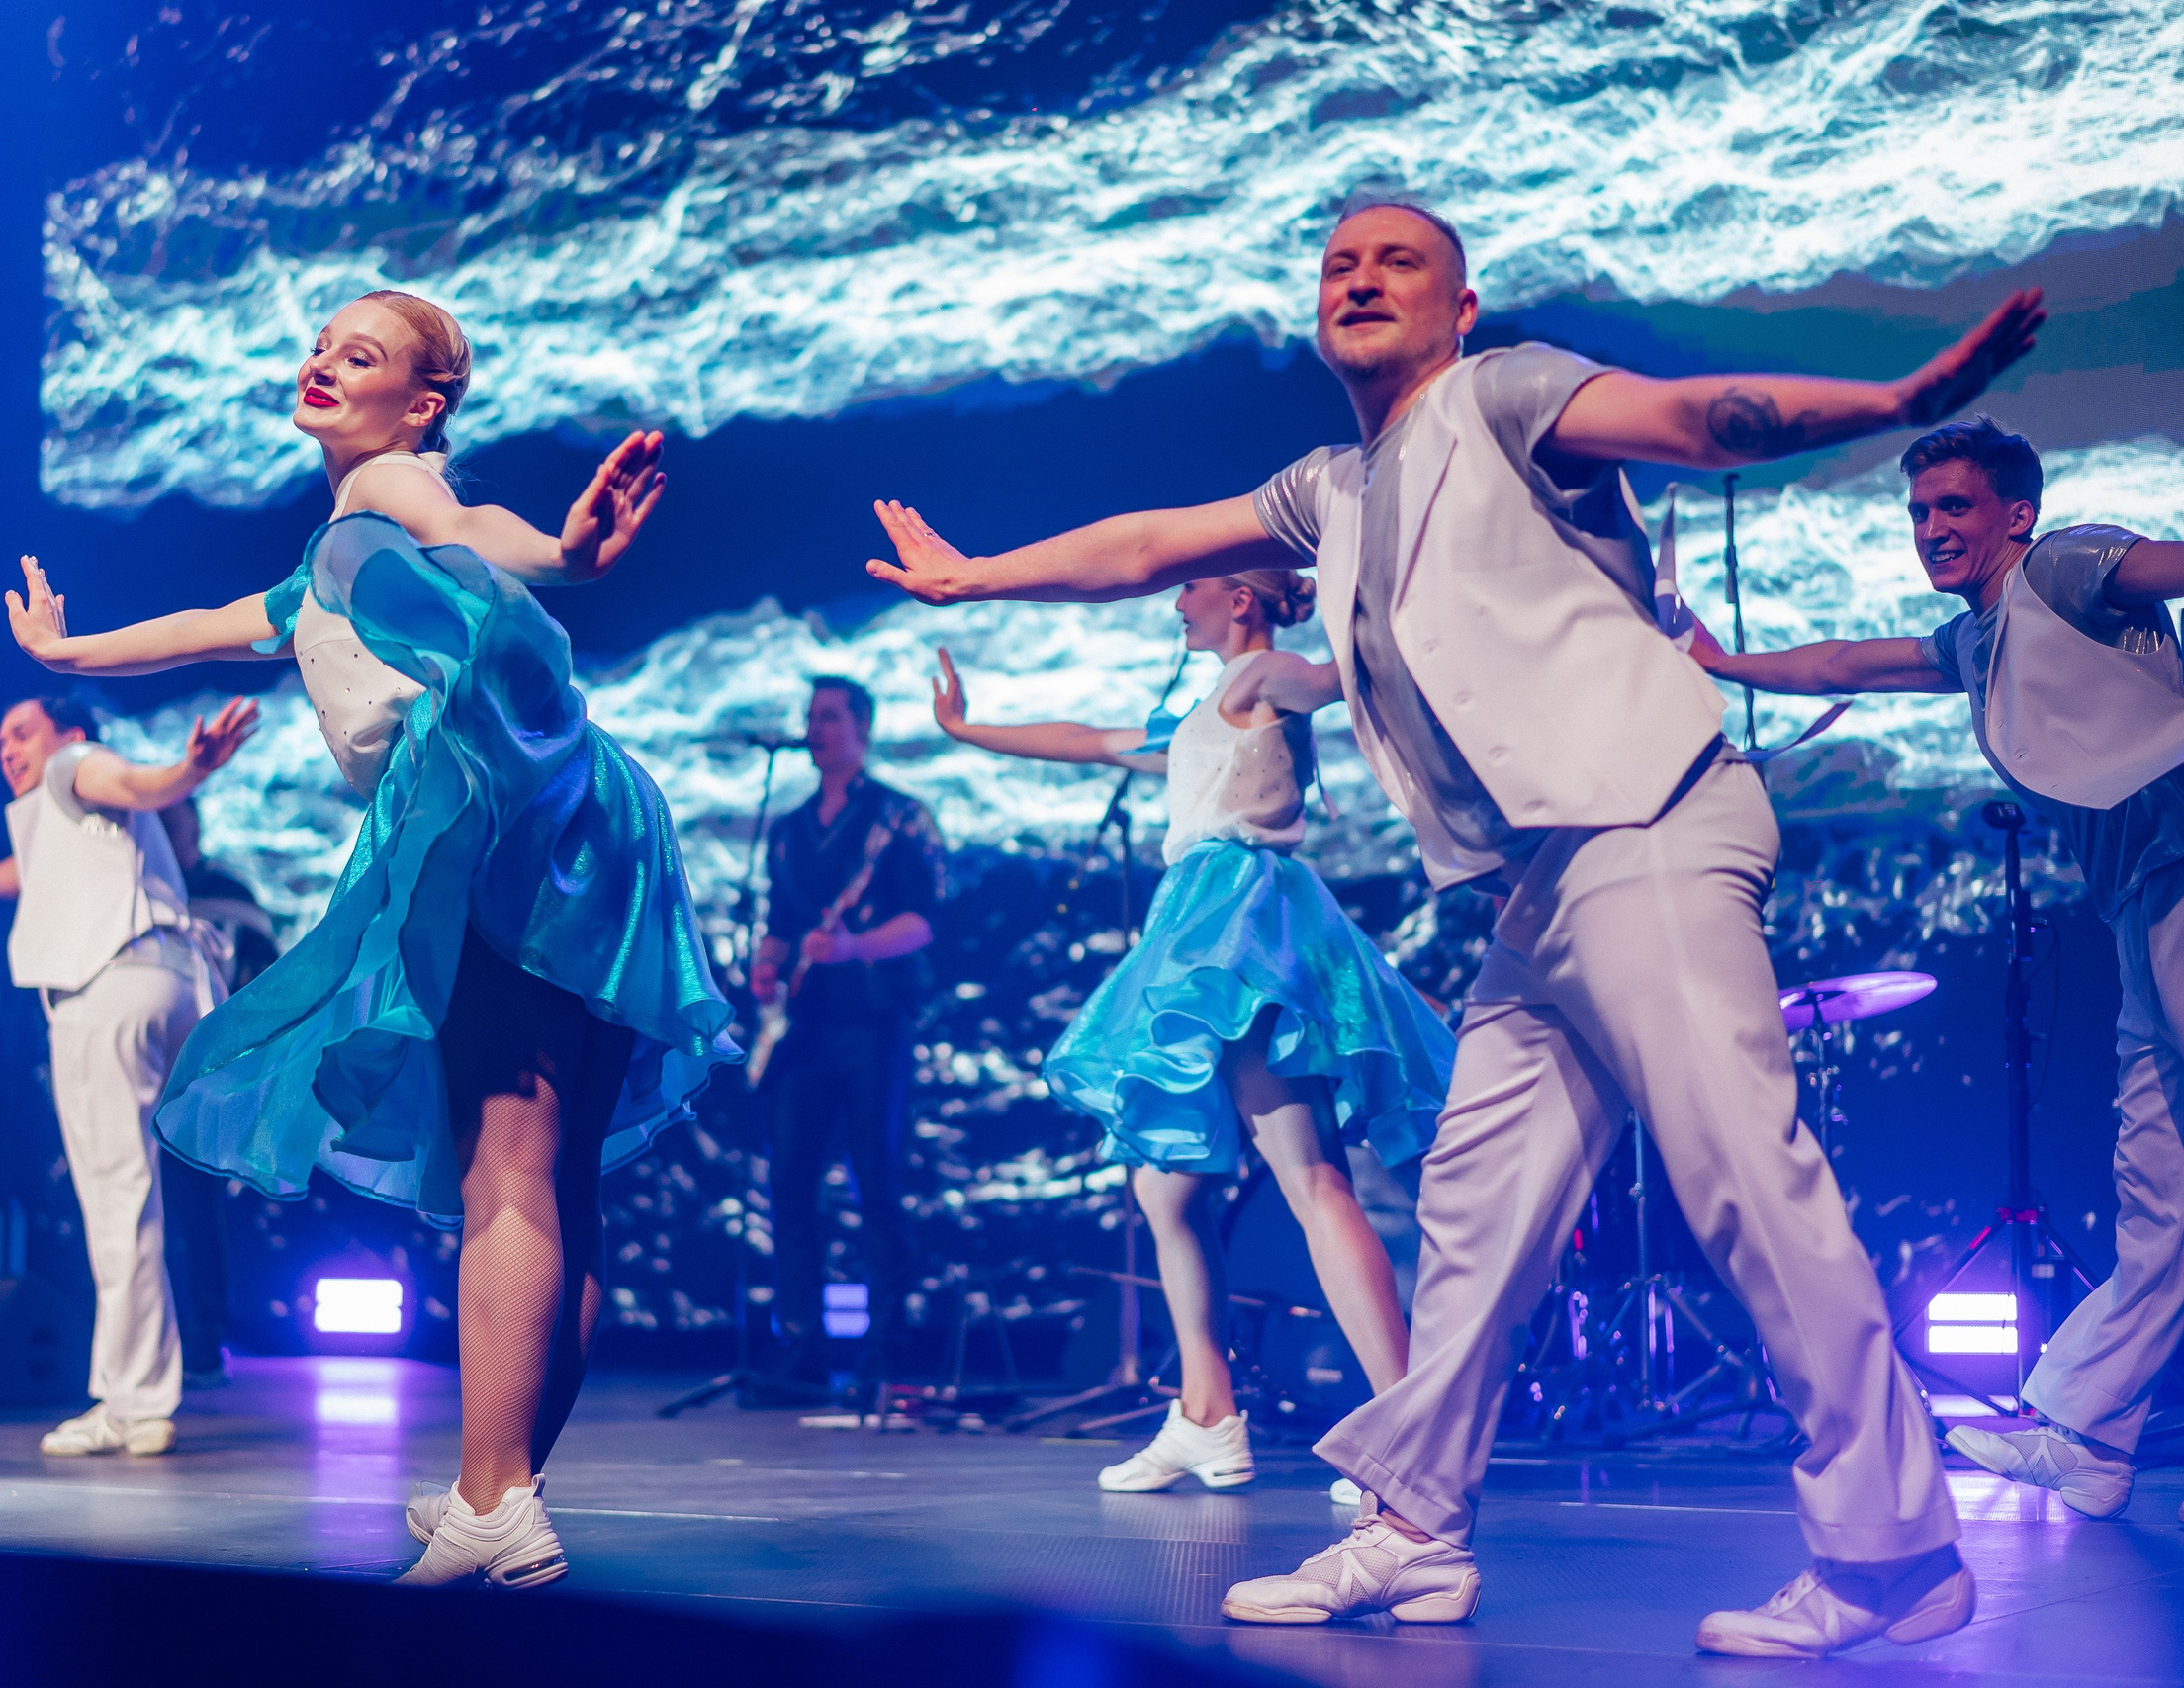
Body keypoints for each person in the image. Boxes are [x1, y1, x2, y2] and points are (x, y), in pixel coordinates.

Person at [865, 198, 2045, 1656]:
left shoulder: (1507, 397)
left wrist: (1899, 404)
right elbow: (1157, 539)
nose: (1360, 277)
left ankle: (1892, 1553)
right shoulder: (1327, 491)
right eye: (1338, 263)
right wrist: (978, 575)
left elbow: (1691, 416)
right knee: (1473, 1221)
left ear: (1461, 305)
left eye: (1397, 261)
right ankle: (1416, 1530)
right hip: (1537, 893)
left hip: (1648, 824)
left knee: (1747, 1177)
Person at [0, 289, 734, 1588]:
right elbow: (219, 625)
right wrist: (73, 653)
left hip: (487, 812)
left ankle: (500, 1499)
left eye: (362, 354)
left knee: (508, 1163)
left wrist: (564, 551)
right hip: (584, 811)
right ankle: (494, 1487)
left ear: (422, 404)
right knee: (557, 1180)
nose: (323, 363)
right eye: (320, 346)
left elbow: (472, 526)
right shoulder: (340, 548)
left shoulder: (392, 489)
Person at [1691, 416, 2184, 1526]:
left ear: (2016, 515)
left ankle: (2087, 1426)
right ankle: (2091, 1437)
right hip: (2141, 908)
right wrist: (1720, 664)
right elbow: (1846, 664)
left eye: (1953, 506)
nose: (1930, 528)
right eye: (1918, 511)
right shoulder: (1975, 640)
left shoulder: (2066, 566)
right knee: (2160, 1194)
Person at [931, 569, 1453, 1495]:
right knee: (1163, 1189)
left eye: (1190, 589)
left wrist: (1390, 596)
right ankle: (1208, 1413)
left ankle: (1406, 1431)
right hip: (1201, 930)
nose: (1176, 605)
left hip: (1242, 931)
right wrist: (968, 730)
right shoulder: (1204, 710)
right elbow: (1090, 741)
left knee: (1312, 1177)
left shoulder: (1261, 677)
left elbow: (1336, 677)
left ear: (1240, 599)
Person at [0, 694, 258, 1457]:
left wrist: (188, 770)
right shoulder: (58, 815)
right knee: (126, 1198)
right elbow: (23, 876)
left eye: (22, 731)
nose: (9, 748)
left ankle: (136, 1402)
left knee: (118, 1199)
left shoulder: (75, 764)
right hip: (165, 982)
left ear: (68, 731)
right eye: (1, 737)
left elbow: (134, 781)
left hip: (111, 985)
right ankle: (124, 1391)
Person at [746, 676, 944, 1392]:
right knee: (790, 1180)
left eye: (829, 716)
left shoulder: (900, 817)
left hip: (874, 1021)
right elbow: (780, 921)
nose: (815, 728)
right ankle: (800, 1343)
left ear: (863, 727)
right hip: (805, 1026)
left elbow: (924, 920)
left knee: (876, 1179)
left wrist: (855, 947)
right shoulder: (788, 828)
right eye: (811, 717)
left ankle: (888, 1345)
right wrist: (767, 963)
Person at [156, 795, 280, 1386]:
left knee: (196, 1208)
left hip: (207, 1082)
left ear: (196, 828)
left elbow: (267, 980)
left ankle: (202, 1343)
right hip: (146, 1074)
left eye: (176, 823)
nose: (168, 834)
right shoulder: (139, 889)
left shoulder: (229, 893)